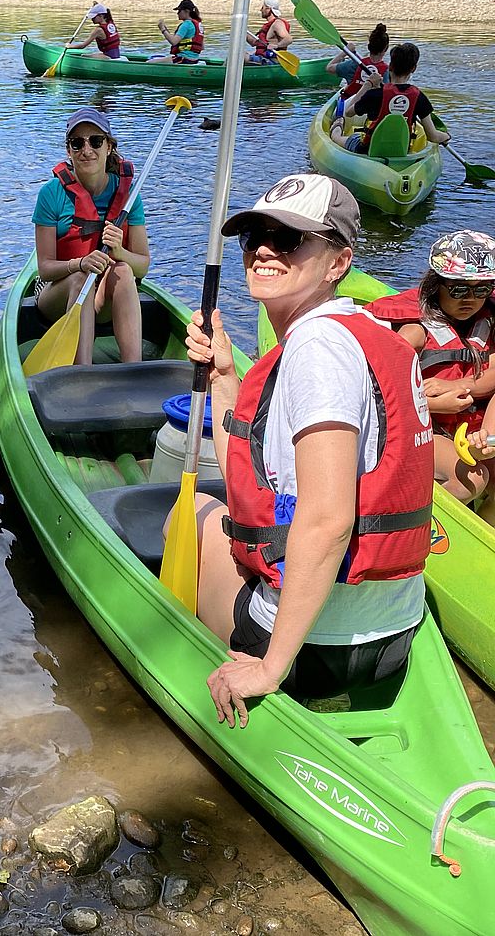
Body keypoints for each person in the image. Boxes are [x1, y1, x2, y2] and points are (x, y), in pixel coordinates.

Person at [179, 173, 433, 726]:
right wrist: (224, 373)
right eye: (254, 238)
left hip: (317, 655)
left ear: (338, 262)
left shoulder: (316, 349)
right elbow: (254, 489)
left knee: (201, 513)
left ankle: (206, 665)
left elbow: (327, 520)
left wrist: (270, 667)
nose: (265, 249)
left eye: (290, 239)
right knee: (235, 515)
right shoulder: (365, 331)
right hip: (390, 637)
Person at [365, 230, 495, 521]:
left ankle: (481, 543)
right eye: (459, 289)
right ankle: (415, 524)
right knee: (470, 479)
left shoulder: (489, 321)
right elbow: (376, 385)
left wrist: (460, 386)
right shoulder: (415, 330)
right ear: (437, 285)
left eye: (482, 289)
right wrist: (432, 405)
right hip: (418, 423)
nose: (471, 299)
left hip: (469, 427)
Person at [32, 108, 149, 365]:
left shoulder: (130, 196)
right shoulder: (50, 194)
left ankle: (135, 369)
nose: (87, 150)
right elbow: (44, 269)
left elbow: (142, 265)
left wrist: (120, 252)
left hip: (102, 298)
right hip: (57, 292)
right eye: (77, 143)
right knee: (80, 279)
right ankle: (82, 371)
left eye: (96, 141)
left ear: (109, 147)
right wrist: (80, 263)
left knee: (125, 271)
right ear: (69, 150)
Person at [330, 42, 450, 155]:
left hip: (366, 149)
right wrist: (446, 137)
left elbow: (349, 112)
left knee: (337, 137)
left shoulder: (375, 94)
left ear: (390, 67)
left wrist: (367, 85)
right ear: (414, 68)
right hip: (401, 151)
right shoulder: (419, 97)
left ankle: (336, 129)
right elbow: (433, 136)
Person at [327, 23, 389, 116]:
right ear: (386, 48)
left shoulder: (354, 64)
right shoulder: (388, 72)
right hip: (371, 113)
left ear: (369, 47)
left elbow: (329, 68)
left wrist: (345, 52)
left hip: (348, 108)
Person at [245, 0, 292, 64]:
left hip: (271, 60)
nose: (261, 10)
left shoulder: (277, 24)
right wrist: (241, 31)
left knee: (240, 57)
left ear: (268, 9)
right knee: (237, 54)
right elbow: (254, 42)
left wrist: (277, 45)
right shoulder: (269, 25)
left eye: (262, 7)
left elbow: (288, 39)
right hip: (262, 58)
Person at [156, 0, 205, 64]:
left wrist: (162, 29)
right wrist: (166, 29)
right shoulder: (198, 25)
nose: (177, 13)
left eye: (179, 11)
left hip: (183, 59)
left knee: (149, 62)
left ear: (187, 11)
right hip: (194, 60)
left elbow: (174, 42)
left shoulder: (186, 24)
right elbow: (202, 47)